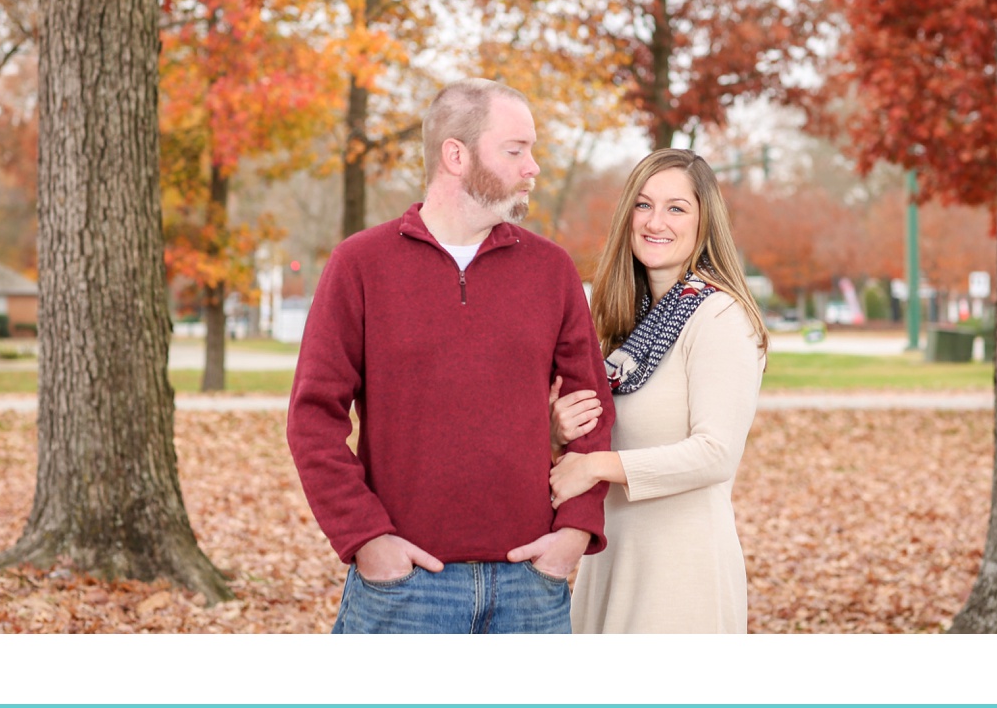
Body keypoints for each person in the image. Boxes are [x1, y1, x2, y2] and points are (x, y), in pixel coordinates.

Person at [287, 79, 615, 633]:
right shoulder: (360, 265)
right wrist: (367, 539)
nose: (532, 166)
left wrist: (573, 536)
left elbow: (592, 411)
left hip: (530, 588)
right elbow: (313, 417)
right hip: (404, 589)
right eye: (516, 150)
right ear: (456, 155)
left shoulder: (551, 270)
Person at [545, 149, 766, 633]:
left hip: (681, 572)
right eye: (643, 206)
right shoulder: (627, 328)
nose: (655, 221)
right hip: (612, 557)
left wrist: (596, 466)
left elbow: (716, 454)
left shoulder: (720, 317)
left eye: (676, 208)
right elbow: (606, 433)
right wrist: (559, 434)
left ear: (705, 221)